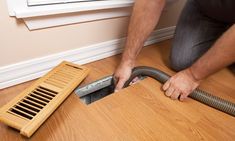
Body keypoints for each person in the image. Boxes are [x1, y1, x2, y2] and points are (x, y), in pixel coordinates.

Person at [114, 0, 235, 101]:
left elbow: (192, 76)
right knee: (181, 61)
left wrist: (192, 76)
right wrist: (127, 61)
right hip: (206, 8)